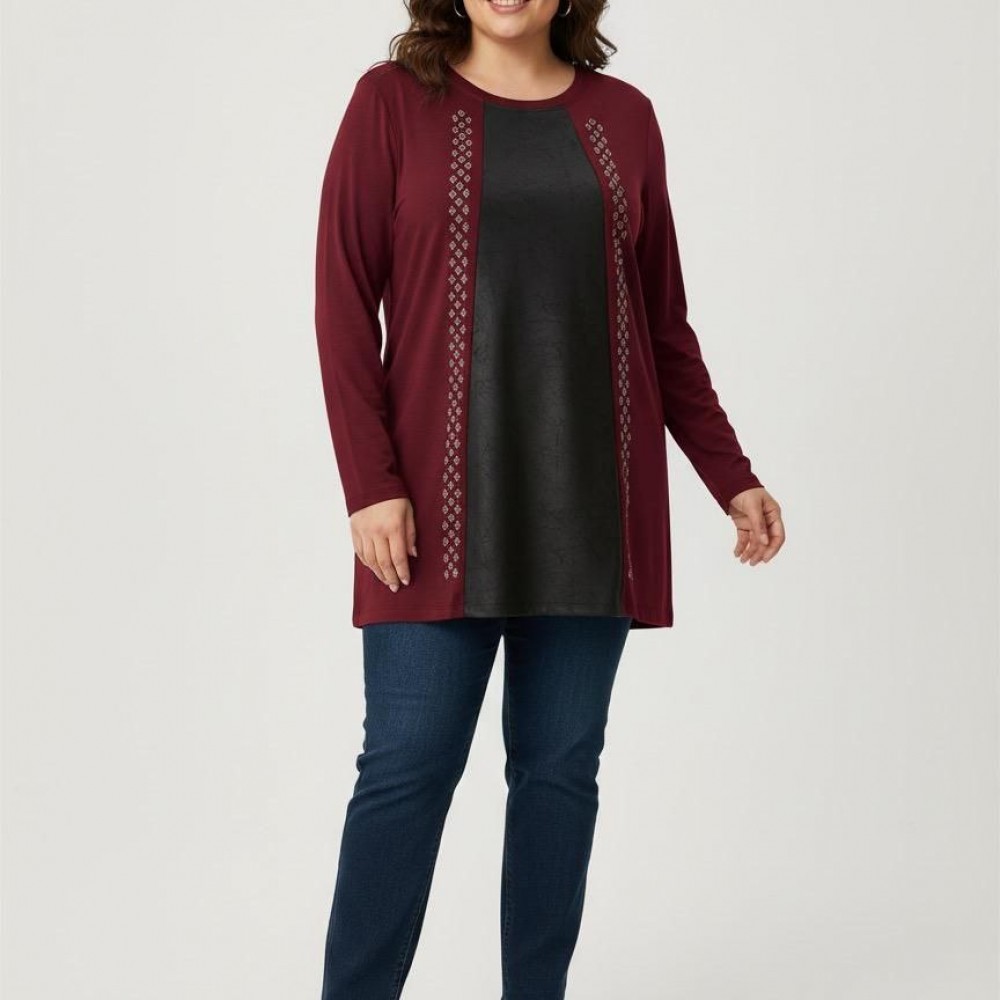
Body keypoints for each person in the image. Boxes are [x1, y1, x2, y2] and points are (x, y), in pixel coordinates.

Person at [313, 1, 786, 997]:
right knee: (404, 769)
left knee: (559, 775)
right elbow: (343, 302)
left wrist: (731, 475)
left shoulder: (624, 118)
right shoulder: (390, 104)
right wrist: (371, 483)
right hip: (431, 515)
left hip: (591, 509)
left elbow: (663, 324)